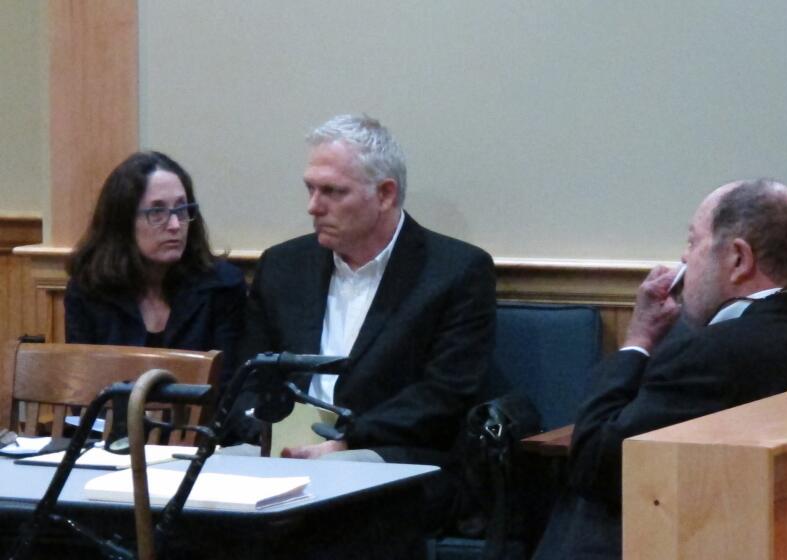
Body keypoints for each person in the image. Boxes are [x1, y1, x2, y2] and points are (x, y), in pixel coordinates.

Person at [534, 178, 787, 559]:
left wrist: (638, 339)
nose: (683, 259)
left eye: (693, 242)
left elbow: (595, 464)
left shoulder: (708, 355)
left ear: (738, 259)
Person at [228, 113, 496, 470]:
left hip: (387, 453)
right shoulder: (283, 267)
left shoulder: (455, 272)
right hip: (280, 449)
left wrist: (346, 440)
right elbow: (250, 376)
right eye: (310, 188)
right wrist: (262, 432)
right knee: (192, 489)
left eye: (333, 192)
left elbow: (442, 397)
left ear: (385, 194)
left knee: (330, 491)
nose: (313, 206)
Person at [64, 151, 246, 386]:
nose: (174, 225)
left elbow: (228, 388)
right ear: (123, 222)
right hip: (114, 421)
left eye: (181, 210)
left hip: (200, 421)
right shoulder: (89, 290)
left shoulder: (222, 286)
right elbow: (84, 387)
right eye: (157, 212)